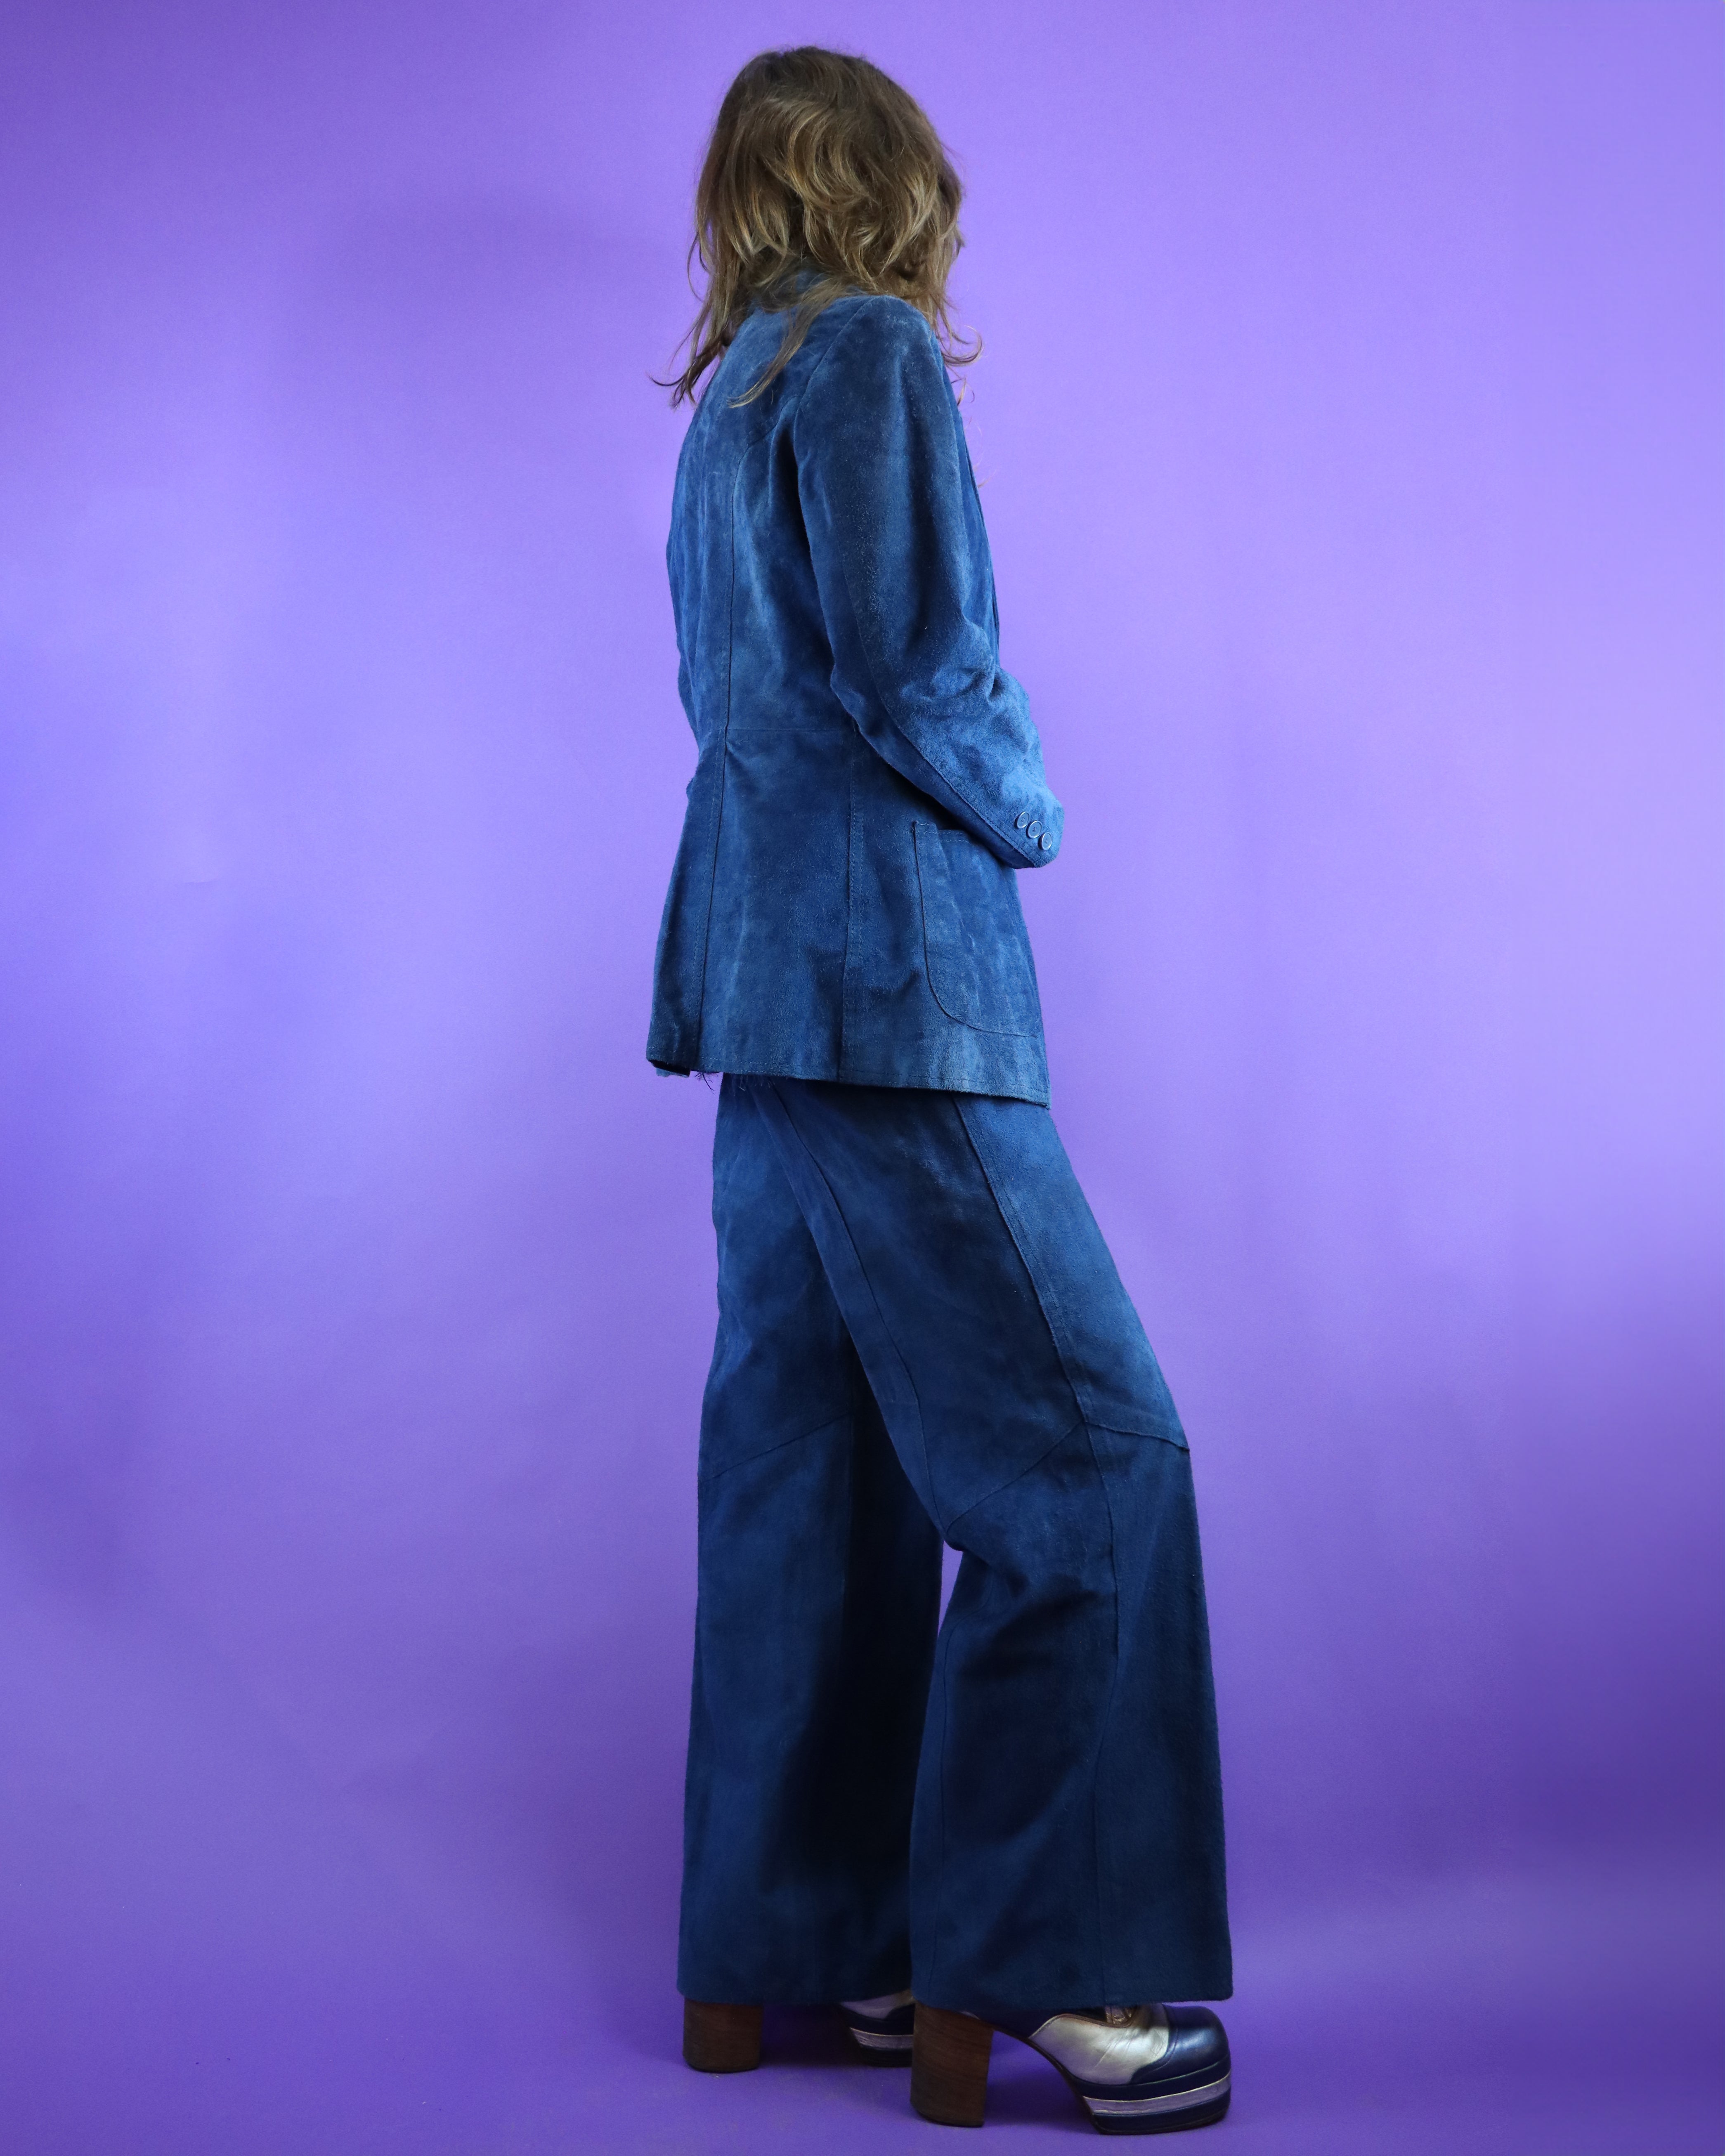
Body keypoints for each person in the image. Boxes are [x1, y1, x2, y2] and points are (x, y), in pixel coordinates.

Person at [648, 46, 1233, 2135]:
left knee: (808, 1479)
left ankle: (794, 1948)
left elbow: (744, 700)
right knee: (1092, 1459)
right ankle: (1038, 1960)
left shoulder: (726, 401)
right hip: (896, 987)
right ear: (892, 185)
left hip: (754, 984)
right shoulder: (870, 354)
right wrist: (1038, 808)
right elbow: (916, 670)